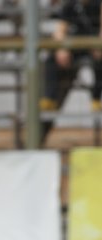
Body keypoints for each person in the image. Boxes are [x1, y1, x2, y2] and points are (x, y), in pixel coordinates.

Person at [40, 0, 102, 145]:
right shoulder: (70, 5)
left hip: (94, 47)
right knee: (51, 59)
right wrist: (61, 48)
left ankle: (96, 98)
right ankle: (48, 98)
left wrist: (98, 44)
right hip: (76, 47)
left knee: (99, 62)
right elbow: (60, 30)